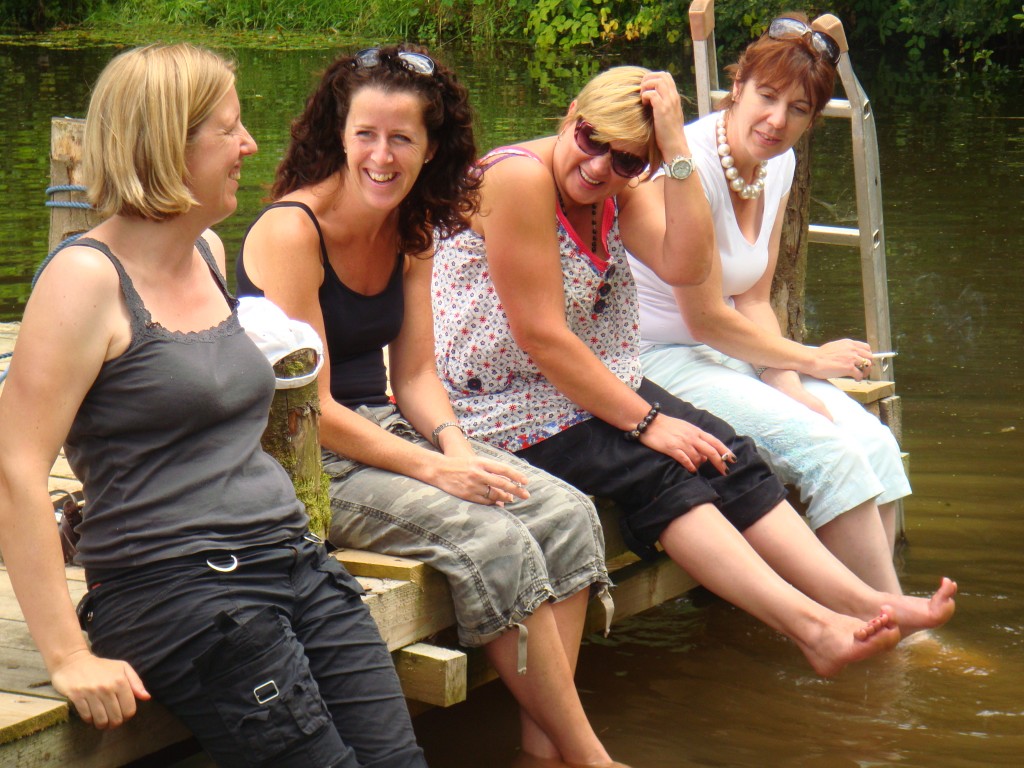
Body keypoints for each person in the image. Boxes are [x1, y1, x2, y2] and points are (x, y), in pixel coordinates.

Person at [432, 64, 958, 681]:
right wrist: (648, 422)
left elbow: (687, 266)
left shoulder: (617, 189)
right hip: (498, 401)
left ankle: (867, 602)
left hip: (577, 384)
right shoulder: (519, 177)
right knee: (661, 468)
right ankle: (814, 630)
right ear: (570, 115)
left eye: (628, 160)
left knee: (724, 449)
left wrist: (676, 153)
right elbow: (541, 336)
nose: (601, 166)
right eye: (591, 139)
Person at [0, 44, 425, 768]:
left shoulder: (204, 251)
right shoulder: (83, 282)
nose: (249, 146)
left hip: (292, 561)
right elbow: (16, 467)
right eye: (229, 129)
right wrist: (68, 655)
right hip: (178, 594)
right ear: (169, 144)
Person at [236, 45, 625, 768]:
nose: (381, 156)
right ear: (338, 134)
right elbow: (312, 406)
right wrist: (438, 473)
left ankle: (543, 747)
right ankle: (589, 757)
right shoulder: (294, 231)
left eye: (402, 139)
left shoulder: (412, 228)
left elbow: (413, 377)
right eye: (366, 135)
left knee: (566, 515)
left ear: (431, 147)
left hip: (377, 430)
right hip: (296, 458)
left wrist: (454, 448)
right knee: (495, 540)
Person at [629, 16, 912, 594]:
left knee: (874, 444)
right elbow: (703, 316)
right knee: (827, 453)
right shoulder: (692, 165)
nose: (778, 120)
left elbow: (754, 297)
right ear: (738, 86)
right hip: (656, 360)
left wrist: (783, 377)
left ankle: (875, 609)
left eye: (800, 109)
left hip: (725, 352)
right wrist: (808, 359)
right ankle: (893, 627)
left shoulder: (778, 164)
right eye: (767, 97)